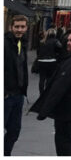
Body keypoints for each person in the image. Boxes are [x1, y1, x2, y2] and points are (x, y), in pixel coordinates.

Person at [4, 14, 29, 155]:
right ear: (11, 27)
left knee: (14, 131)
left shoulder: (22, 43)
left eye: (22, 27)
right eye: (17, 27)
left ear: (26, 28)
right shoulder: (5, 43)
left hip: (18, 95)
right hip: (7, 95)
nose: (19, 30)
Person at [36, 27, 64, 95]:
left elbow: (38, 52)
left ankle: (41, 93)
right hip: (51, 61)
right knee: (49, 78)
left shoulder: (42, 41)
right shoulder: (55, 41)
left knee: (41, 79)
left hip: (41, 61)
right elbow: (60, 48)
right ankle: (46, 93)